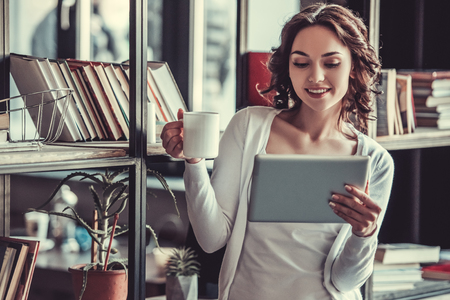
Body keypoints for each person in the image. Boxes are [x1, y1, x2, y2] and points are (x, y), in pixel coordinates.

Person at [161, 3, 394, 300]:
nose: (316, 77)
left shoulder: (375, 160)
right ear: (288, 67)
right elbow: (211, 239)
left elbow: (345, 281)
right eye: (301, 63)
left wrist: (365, 235)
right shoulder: (248, 126)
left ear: (353, 66)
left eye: (331, 63)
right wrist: (193, 161)